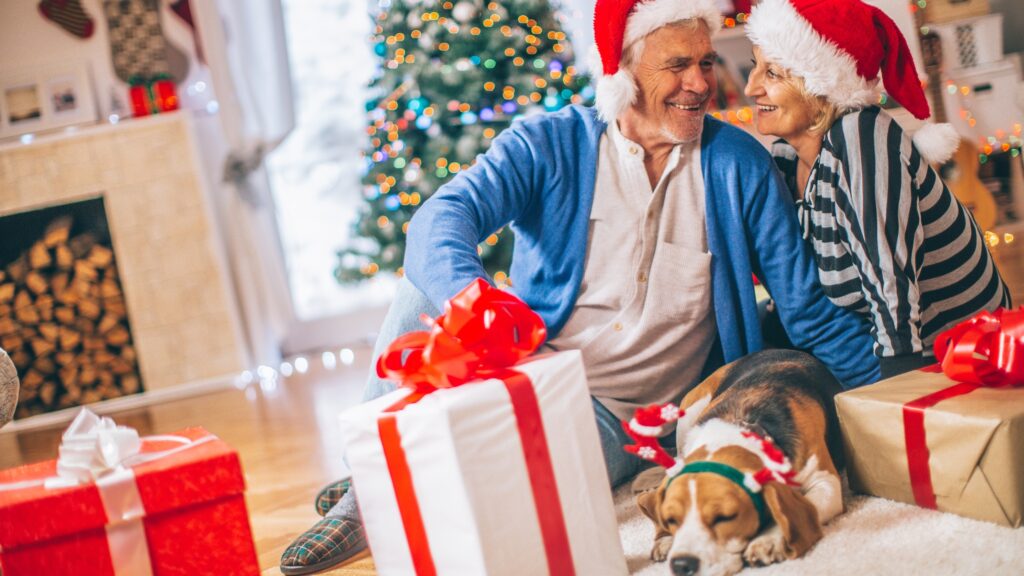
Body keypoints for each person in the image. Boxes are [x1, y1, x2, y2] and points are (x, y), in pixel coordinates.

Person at [279, 0, 881, 573]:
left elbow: (808, 310)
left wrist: (892, 396)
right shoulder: (550, 143)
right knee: (421, 290)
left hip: (620, 416)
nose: (700, 82)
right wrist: (478, 300)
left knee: (502, 490)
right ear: (623, 71)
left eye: (704, 62)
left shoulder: (737, 164)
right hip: (524, 366)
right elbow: (439, 219)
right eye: (677, 65)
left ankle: (394, 478)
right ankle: (364, 490)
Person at [743, 0, 1011, 379]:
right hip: (884, 334)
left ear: (821, 86)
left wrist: (895, 388)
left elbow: (889, 276)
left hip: (962, 351)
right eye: (755, 66)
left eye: (772, 73)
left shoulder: (861, 138)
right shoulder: (787, 155)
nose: (751, 86)